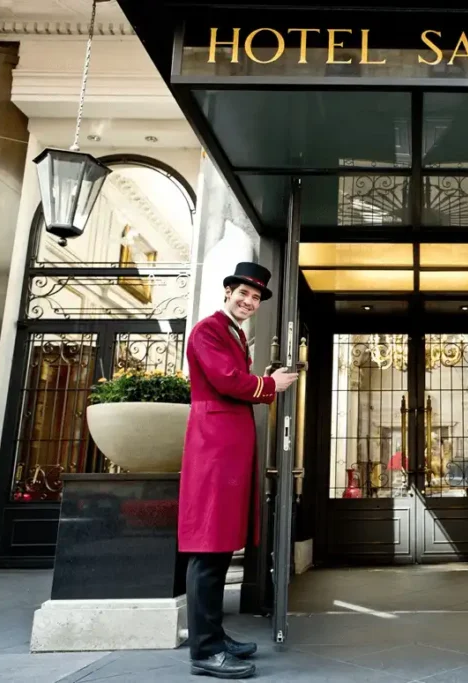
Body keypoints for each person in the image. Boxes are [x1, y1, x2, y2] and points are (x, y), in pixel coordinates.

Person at [179, 261, 299, 679]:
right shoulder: (208, 330)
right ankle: (205, 651)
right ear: (227, 291)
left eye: (255, 297)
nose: (249, 301)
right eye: (243, 293)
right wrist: (271, 386)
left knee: (220, 545)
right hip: (214, 450)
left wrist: (262, 381)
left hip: (226, 450)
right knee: (208, 551)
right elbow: (227, 380)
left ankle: (214, 636)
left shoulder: (232, 333)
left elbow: (232, 379)